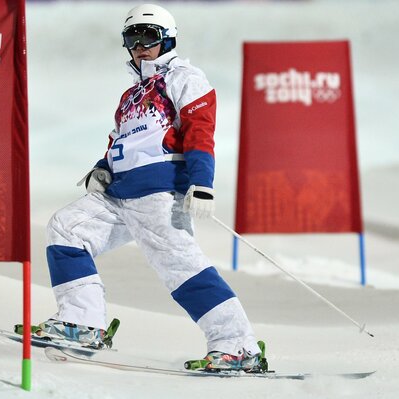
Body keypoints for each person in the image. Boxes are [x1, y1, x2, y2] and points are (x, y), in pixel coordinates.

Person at [37, 4, 261, 370]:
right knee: (66, 227)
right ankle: (82, 322)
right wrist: (101, 168)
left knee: (181, 268)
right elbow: (123, 141)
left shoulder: (184, 77)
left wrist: (202, 183)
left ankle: (237, 346)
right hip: (120, 193)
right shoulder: (130, 96)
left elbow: (200, 132)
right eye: (132, 38)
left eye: (149, 37)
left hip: (160, 192)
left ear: (168, 39)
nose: (140, 46)